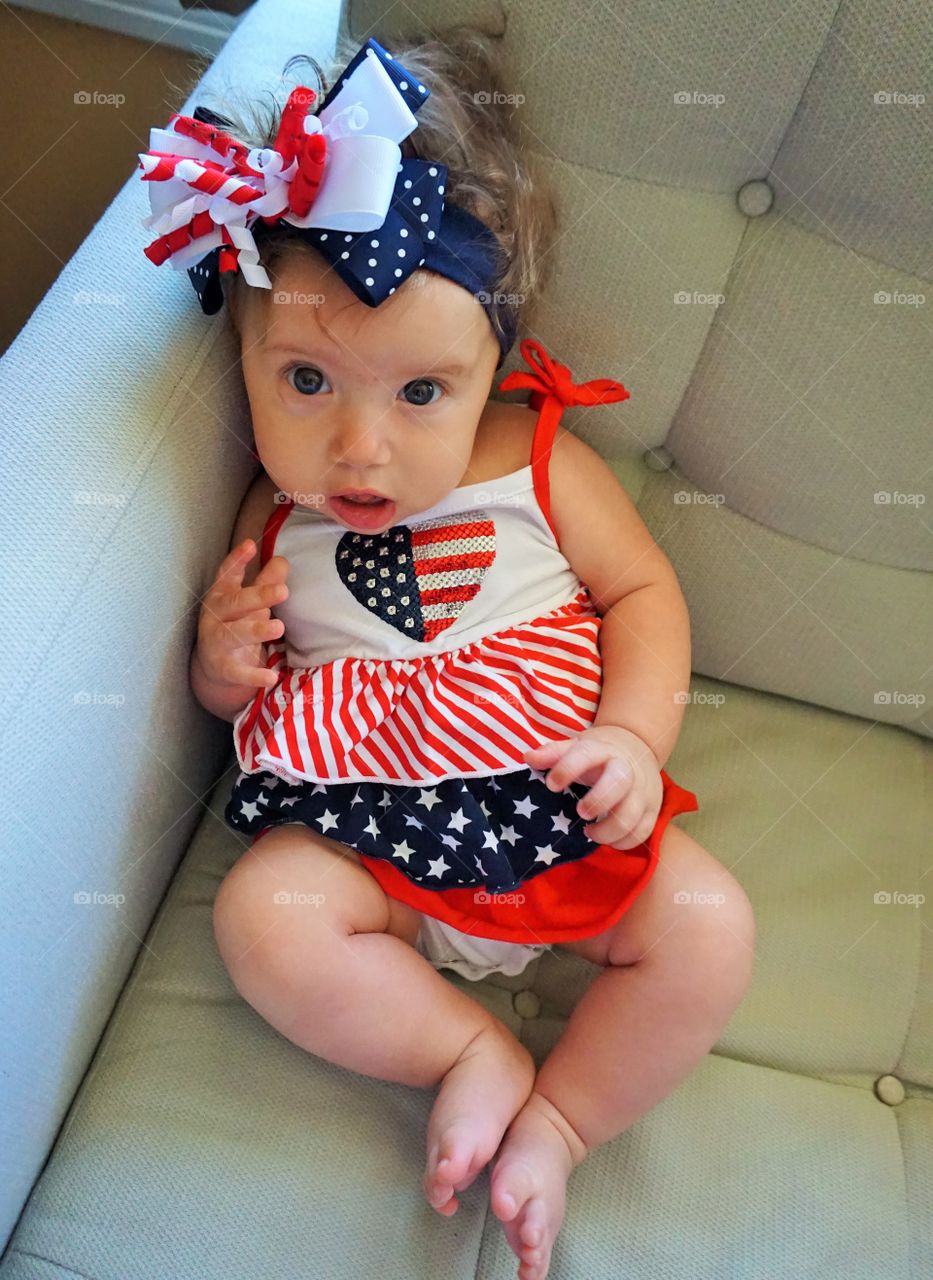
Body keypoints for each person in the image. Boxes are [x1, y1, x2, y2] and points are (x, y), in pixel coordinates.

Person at [140, 30, 755, 1280]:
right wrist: (222, 664)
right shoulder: (271, 523)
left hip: (554, 803)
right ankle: (466, 1049)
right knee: (267, 914)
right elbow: (235, 704)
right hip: (373, 854)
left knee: (708, 926)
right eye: (306, 379)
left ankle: (565, 1119)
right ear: (247, 362)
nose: (360, 450)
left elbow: (642, 589)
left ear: (493, 370)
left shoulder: (538, 463)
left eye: (421, 393)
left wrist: (635, 737)